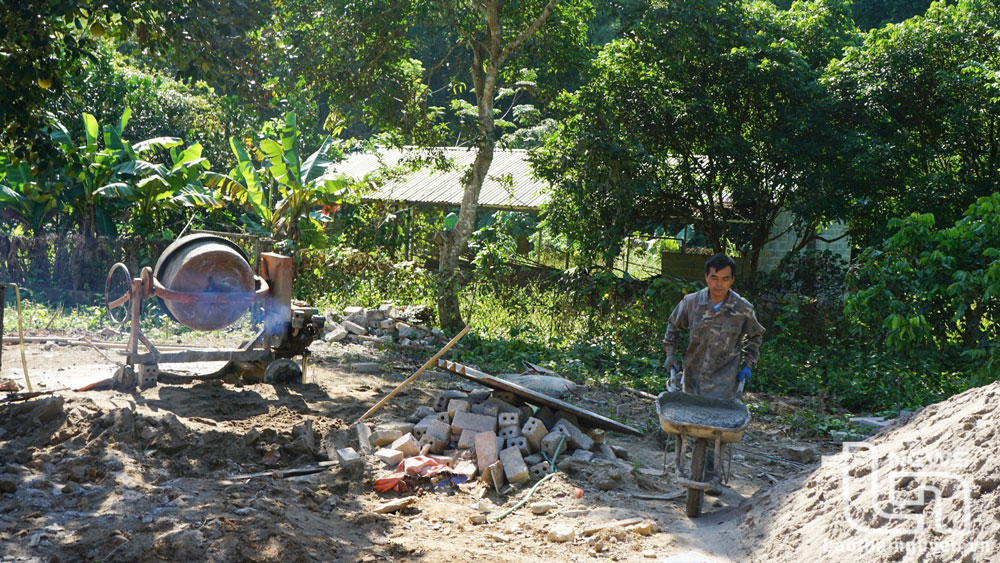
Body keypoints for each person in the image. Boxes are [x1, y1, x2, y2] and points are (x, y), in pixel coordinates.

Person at [663, 254, 765, 401]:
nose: (719, 284)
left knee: (718, 415)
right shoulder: (691, 303)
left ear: (732, 279)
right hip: (692, 380)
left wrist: (748, 364)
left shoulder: (743, 309)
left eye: (725, 279)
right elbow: (673, 325)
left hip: (723, 385)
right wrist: (670, 355)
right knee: (689, 413)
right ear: (706, 277)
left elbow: (755, 335)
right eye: (714, 278)